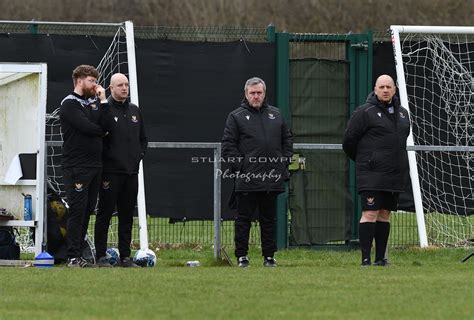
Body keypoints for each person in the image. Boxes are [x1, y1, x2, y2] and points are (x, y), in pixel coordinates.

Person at [222, 77, 293, 268]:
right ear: (246, 94)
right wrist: (242, 167)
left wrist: (282, 164)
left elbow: (287, 141)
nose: (256, 96)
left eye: (259, 93)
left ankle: (269, 257)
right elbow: (228, 146)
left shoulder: (276, 115)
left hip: (271, 178)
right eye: (252, 93)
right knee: (243, 220)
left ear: (264, 93)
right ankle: (242, 257)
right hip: (247, 179)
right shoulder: (236, 116)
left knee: (269, 220)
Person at [343, 74, 410, 266]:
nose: (386, 90)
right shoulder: (364, 112)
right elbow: (348, 142)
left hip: (394, 174)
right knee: (370, 213)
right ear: (375, 89)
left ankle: (381, 259)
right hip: (371, 174)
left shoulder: (403, 113)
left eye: (389, 87)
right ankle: (365, 259)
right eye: (382, 87)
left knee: (384, 214)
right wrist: (367, 161)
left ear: (394, 89)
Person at [94, 73, 147, 268]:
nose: (124, 88)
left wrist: (138, 156)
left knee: (126, 216)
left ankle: (125, 256)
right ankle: (100, 256)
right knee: (105, 214)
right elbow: (100, 136)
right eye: (120, 85)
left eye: (126, 84)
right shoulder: (104, 109)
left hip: (131, 172)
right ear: (111, 88)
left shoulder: (134, 110)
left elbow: (143, 139)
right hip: (110, 172)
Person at [60, 64, 109, 268]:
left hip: (95, 165)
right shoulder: (69, 104)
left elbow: (106, 125)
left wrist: (104, 101)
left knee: (88, 210)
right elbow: (88, 127)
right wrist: (100, 128)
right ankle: (72, 256)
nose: (95, 85)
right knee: (77, 211)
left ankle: (80, 254)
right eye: (91, 81)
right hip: (77, 166)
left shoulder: (95, 102)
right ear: (80, 80)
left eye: (96, 81)